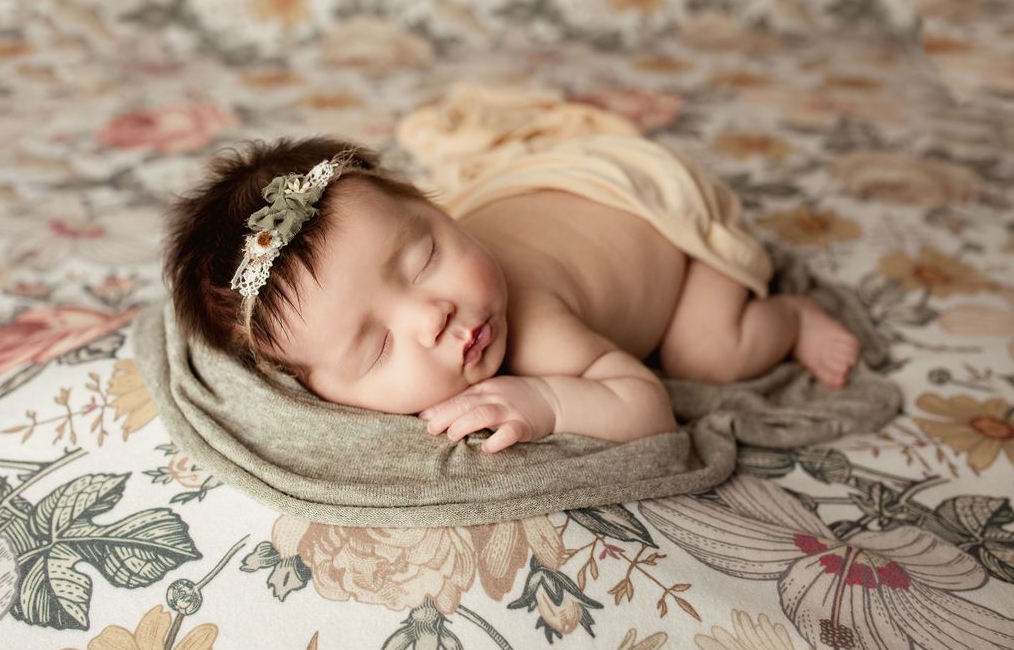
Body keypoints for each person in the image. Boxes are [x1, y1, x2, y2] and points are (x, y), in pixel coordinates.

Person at [164, 128, 860, 455]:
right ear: (314, 390)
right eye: (377, 347)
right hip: (571, 197)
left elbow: (650, 408)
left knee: (705, 352)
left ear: (436, 207)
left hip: (661, 213)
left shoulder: (539, 326)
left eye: (427, 253)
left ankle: (789, 318)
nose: (434, 315)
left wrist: (549, 399)